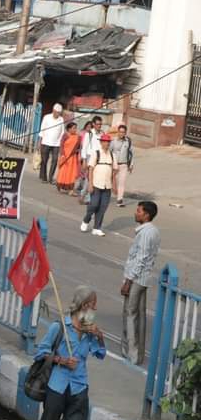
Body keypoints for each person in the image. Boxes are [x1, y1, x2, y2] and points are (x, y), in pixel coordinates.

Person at [35, 286, 106, 420]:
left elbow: (100, 354)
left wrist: (99, 336)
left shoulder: (89, 331)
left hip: (79, 390)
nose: (95, 309)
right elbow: (40, 353)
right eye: (93, 305)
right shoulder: (59, 327)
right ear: (84, 305)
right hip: (57, 387)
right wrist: (62, 361)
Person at [121, 201, 160, 366]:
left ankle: (132, 354)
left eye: (138, 211)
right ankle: (135, 353)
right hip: (143, 278)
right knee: (139, 315)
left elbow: (141, 257)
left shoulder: (145, 233)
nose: (136, 214)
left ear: (146, 215)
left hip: (136, 278)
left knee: (130, 314)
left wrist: (128, 281)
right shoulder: (153, 231)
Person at [80, 134, 117, 237]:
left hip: (107, 185)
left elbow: (114, 170)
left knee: (103, 207)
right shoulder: (96, 154)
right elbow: (90, 169)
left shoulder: (112, 155)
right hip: (96, 184)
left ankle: (97, 227)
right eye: (105, 141)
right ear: (101, 142)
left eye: (108, 142)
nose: (107, 144)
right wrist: (90, 184)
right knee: (94, 204)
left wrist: (114, 185)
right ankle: (86, 219)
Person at [39, 103, 65, 183]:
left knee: (54, 160)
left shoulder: (61, 119)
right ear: (53, 111)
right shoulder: (46, 117)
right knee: (44, 160)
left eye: (59, 113)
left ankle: (50, 177)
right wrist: (40, 141)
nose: (57, 114)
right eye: (56, 112)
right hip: (46, 142)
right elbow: (42, 129)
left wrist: (60, 142)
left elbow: (62, 132)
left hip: (56, 144)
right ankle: (44, 177)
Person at [109, 125, 134, 207]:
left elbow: (131, 153)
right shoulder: (113, 141)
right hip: (114, 165)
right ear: (118, 132)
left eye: (123, 132)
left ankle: (119, 200)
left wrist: (131, 164)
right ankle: (106, 197)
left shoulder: (128, 141)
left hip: (124, 164)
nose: (121, 133)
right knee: (110, 181)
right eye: (120, 132)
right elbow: (109, 152)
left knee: (122, 183)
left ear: (125, 133)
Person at [55, 123, 82, 193]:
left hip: (73, 158)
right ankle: (60, 186)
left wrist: (77, 151)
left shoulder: (77, 137)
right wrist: (62, 155)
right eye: (74, 128)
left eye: (76, 128)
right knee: (63, 172)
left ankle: (71, 189)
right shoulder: (65, 135)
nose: (75, 130)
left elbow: (79, 147)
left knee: (72, 173)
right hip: (65, 158)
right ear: (69, 129)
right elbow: (61, 146)